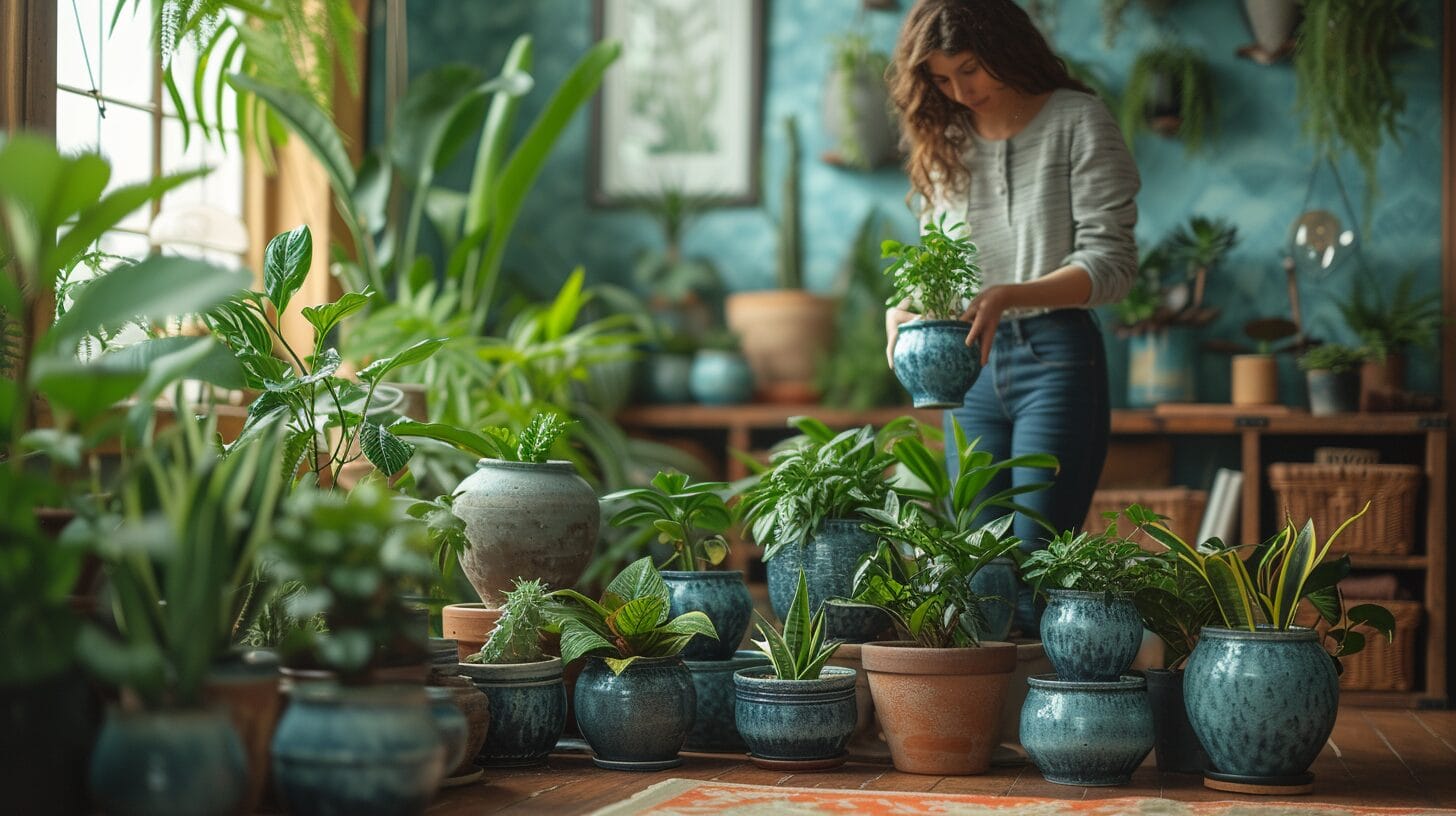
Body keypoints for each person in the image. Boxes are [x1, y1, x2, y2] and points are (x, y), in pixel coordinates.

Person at [883, 0, 1140, 634]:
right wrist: (906, 306)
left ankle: (1051, 728)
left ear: (1005, 46)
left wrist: (1009, 295)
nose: (960, 91)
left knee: (1036, 561)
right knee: (978, 568)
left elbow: (1111, 265)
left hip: (1055, 358)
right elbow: (939, 262)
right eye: (942, 79)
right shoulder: (946, 140)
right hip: (967, 366)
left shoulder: (1077, 121)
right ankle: (983, 729)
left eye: (970, 69)